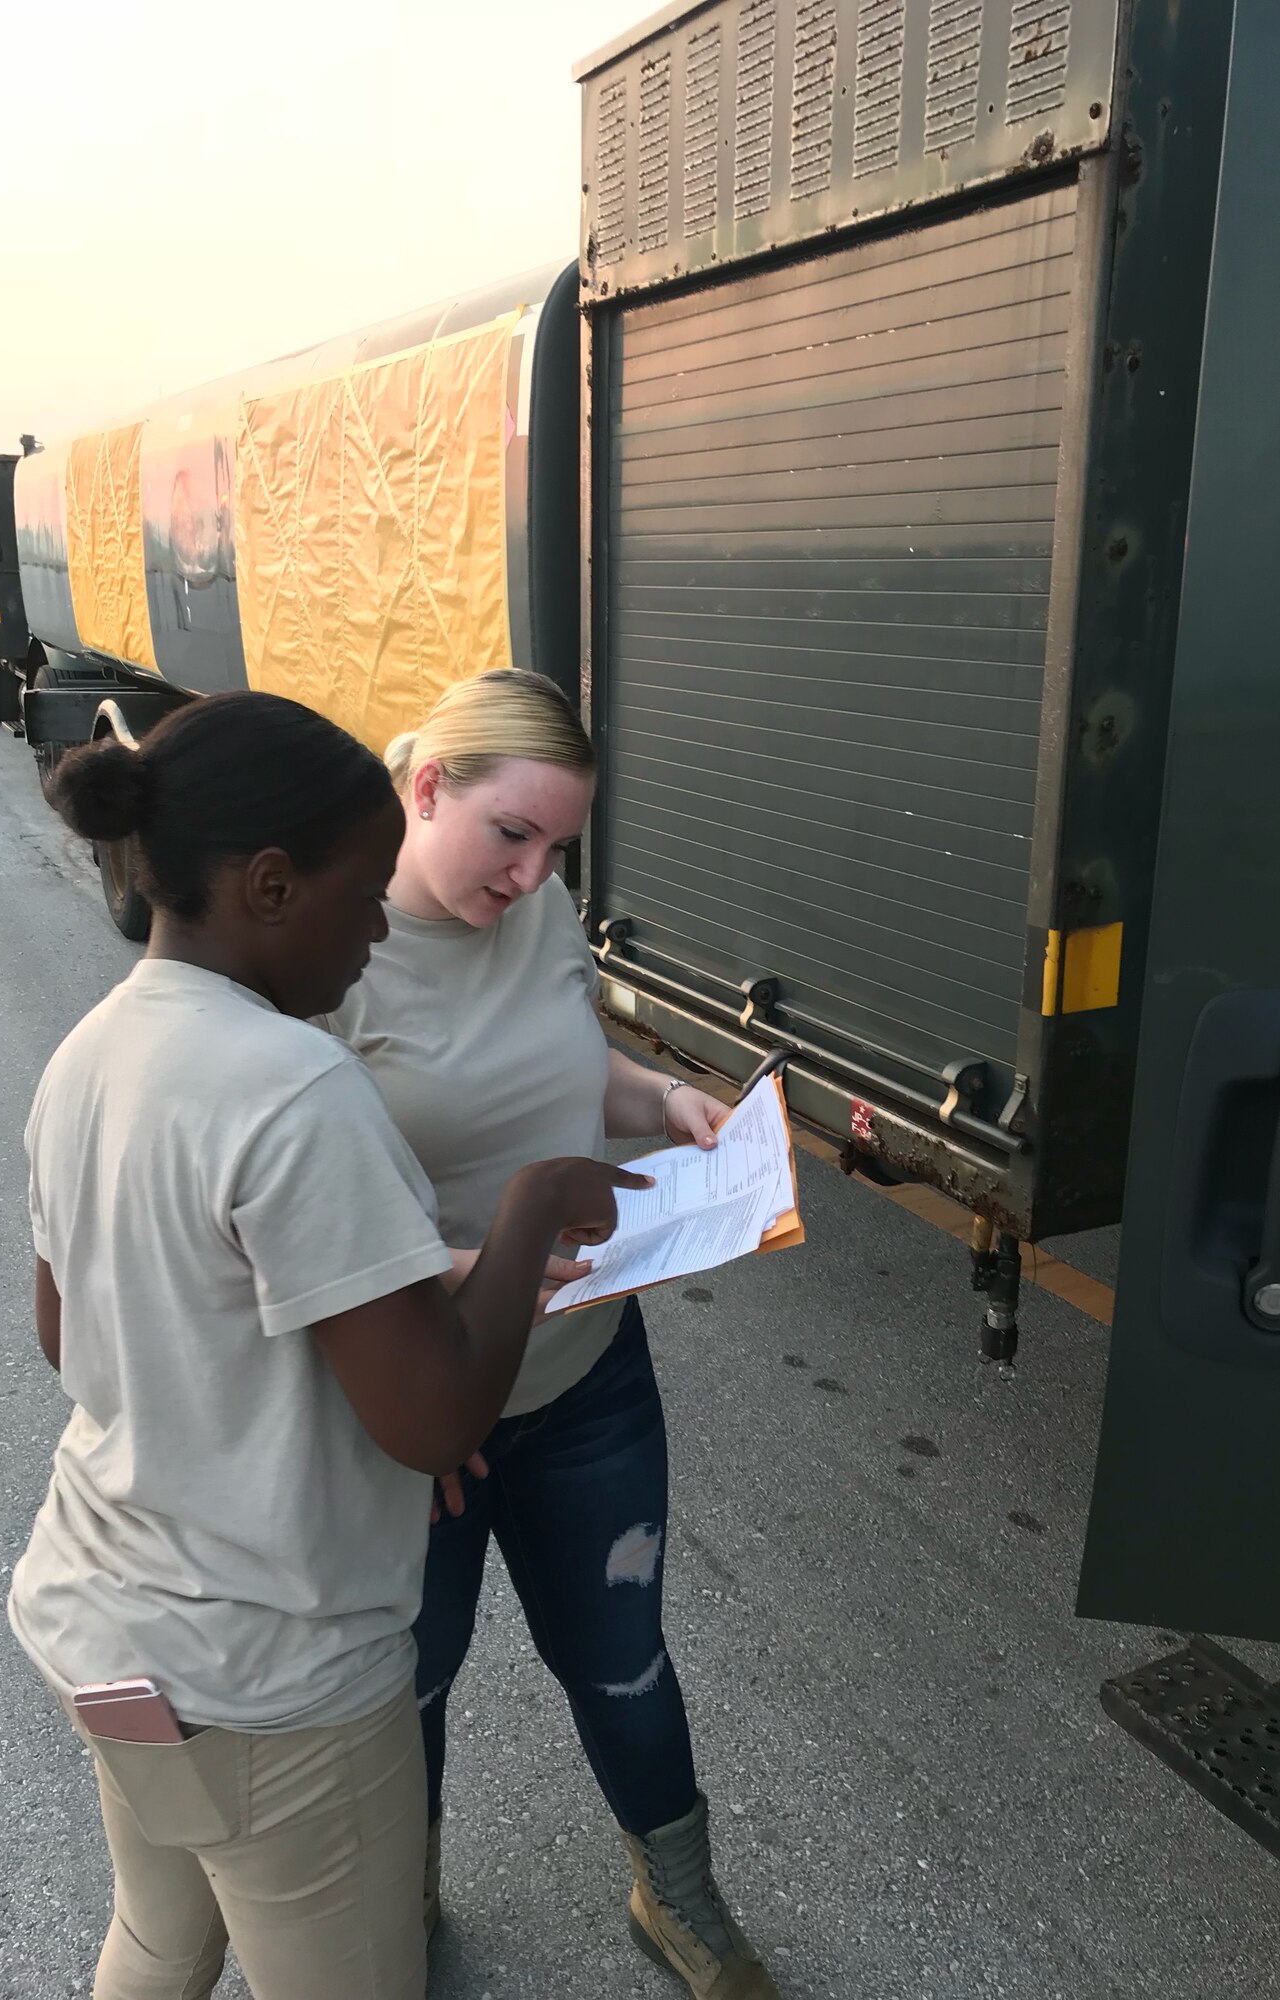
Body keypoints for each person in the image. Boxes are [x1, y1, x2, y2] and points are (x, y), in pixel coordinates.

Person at [9, 689, 640, 2000]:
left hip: (102, 1620)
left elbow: (74, 1330)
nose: (375, 933)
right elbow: (437, 1423)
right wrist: (529, 1210)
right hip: (271, 1682)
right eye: (363, 901)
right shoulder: (298, 1088)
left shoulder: (92, 1052)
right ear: (273, 886)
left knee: (159, 1941)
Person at [324, 668, 781, 1998]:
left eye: (558, 848)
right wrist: (448, 1285)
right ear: (426, 787)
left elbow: (567, 1063)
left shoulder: (539, 908)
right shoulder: (328, 960)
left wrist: (663, 1104)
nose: (531, 875)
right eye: (509, 835)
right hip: (418, 1413)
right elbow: (278, 1220)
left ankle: (676, 1892)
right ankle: (395, 1894)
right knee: (407, 1684)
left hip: (585, 1378)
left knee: (622, 1656)